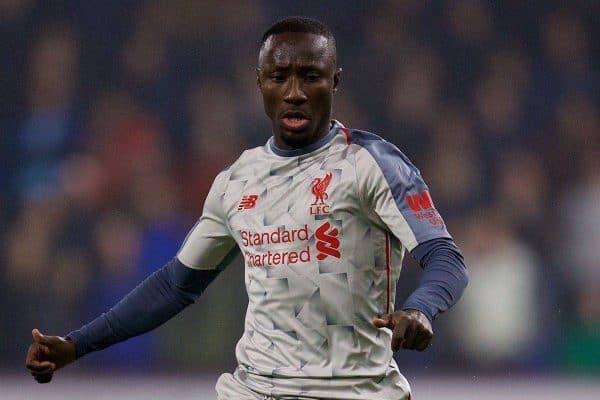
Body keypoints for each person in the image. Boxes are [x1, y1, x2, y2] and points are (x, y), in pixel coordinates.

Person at [26, 17, 469, 399]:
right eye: (279, 77)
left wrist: (420, 308)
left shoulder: (372, 163)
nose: (294, 92)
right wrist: (76, 344)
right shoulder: (237, 180)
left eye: (310, 77)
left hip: (349, 390)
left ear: (334, 81)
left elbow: (447, 260)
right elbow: (174, 286)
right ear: (259, 82)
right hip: (253, 388)